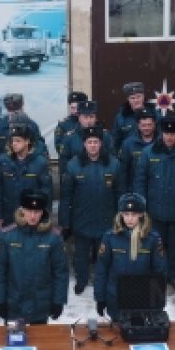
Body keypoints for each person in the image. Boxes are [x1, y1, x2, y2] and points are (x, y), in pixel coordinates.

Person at [94, 192, 166, 350]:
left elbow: (159, 271)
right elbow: (101, 269)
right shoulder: (110, 237)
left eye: (134, 214)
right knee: (118, 339)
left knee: (140, 337)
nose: (130, 219)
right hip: (115, 297)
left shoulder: (152, 238)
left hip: (141, 300)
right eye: (126, 214)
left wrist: (157, 300)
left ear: (142, 215)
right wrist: (100, 297)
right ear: (121, 215)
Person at [133, 114, 175, 292]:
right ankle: (157, 278)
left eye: (174, 134)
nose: (170, 137)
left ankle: (173, 276)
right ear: (161, 133)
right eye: (167, 133)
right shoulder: (149, 153)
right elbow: (140, 181)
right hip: (155, 212)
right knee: (155, 247)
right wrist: (141, 208)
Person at [59, 125, 123, 295]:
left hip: (106, 219)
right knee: (81, 255)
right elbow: (66, 196)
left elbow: (120, 193)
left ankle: (102, 281)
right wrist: (65, 221)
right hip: (81, 219)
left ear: (101, 144)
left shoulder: (113, 164)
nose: (93, 145)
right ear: (84, 144)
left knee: (104, 255)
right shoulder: (74, 165)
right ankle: (81, 280)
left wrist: (121, 218)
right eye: (89, 142)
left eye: (96, 142)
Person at [0, 190, 68, 324]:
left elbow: (60, 272)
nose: (32, 216)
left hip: (40, 306)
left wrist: (58, 300)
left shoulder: (53, 239)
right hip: (13, 304)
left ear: (43, 212)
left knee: (39, 342)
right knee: (14, 343)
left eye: (37, 212)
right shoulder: (6, 236)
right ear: (22, 210)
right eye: (29, 211)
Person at [0, 123, 51, 228]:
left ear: (27, 141)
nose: (14, 144)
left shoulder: (39, 162)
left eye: (18, 141)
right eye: (13, 141)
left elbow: (45, 191)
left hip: (32, 215)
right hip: (9, 215)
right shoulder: (3, 161)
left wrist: (45, 215)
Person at [57, 100, 113, 187]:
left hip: (101, 182)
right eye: (85, 117)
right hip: (77, 183)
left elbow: (112, 159)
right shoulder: (69, 138)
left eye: (91, 117)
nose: (89, 120)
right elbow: (64, 163)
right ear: (79, 117)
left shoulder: (105, 136)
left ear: (95, 118)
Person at [0, 93, 45, 178]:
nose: (14, 114)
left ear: (22, 107)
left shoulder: (31, 126)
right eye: (11, 111)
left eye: (17, 110)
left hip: (27, 171)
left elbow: (39, 148)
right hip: (6, 173)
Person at [118, 106, 157, 193]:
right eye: (143, 125)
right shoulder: (128, 144)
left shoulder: (161, 143)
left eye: (149, 125)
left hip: (156, 192)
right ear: (138, 125)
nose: (146, 128)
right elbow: (123, 172)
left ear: (154, 124)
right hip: (134, 191)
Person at [53, 91, 88, 169]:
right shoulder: (62, 125)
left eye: (77, 108)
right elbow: (59, 147)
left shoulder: (89, 123)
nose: (75, 111)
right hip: (68, 164)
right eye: (72, 108)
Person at [112, 82, 147, 152]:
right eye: (132, 98)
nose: (136, 100)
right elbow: (116, 142)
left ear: (143, 96)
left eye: (138, 97)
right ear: (128, 99)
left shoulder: (154, 114)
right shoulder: (121, 118)